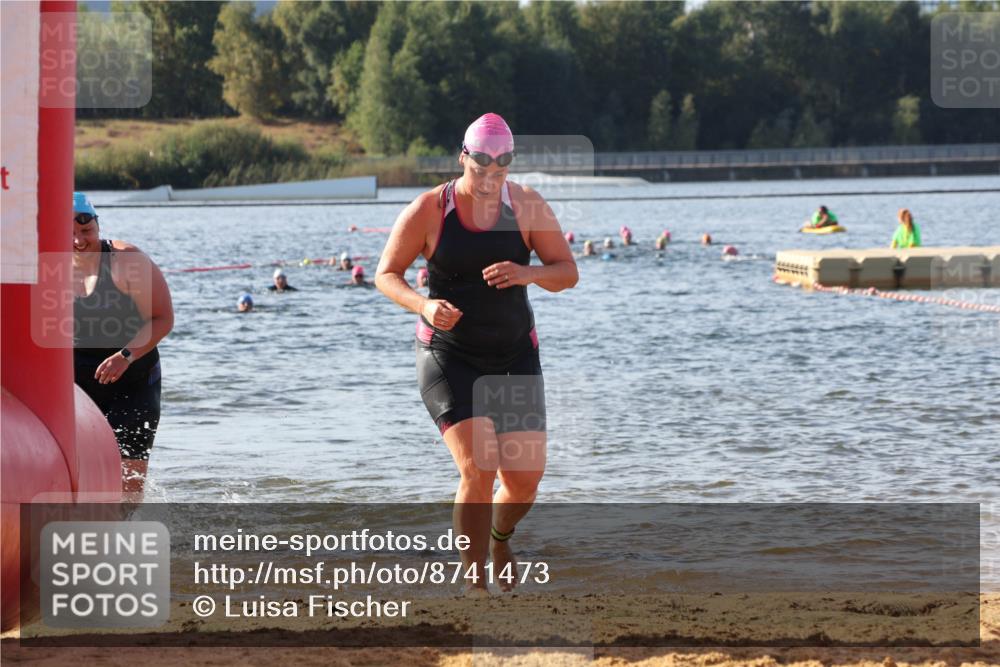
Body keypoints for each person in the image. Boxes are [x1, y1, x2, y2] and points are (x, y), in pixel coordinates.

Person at [375, 113, 578, 596]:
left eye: (500, 172)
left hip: (513, 353)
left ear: (509, 166)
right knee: (478, 466)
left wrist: (526, 274)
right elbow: (386, 274)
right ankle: (475, 582)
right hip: (449, 354)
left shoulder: (527, 206)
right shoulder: (430, 209)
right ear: (463, 157)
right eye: (480, 169)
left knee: (525, 481)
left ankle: (500, 538)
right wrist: (423, 304)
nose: (489, 182)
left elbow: (566, 272)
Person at [72, 192, 173, 499]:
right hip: (78, 387)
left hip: (133, 380)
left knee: (128, 480)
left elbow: (162, 319)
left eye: (86, 231)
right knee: (82, 474)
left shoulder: (126, 260)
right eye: (69, 234)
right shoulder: (46, 266)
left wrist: (125, 356)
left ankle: (125, 534)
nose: (78, 240)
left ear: (98, 226)